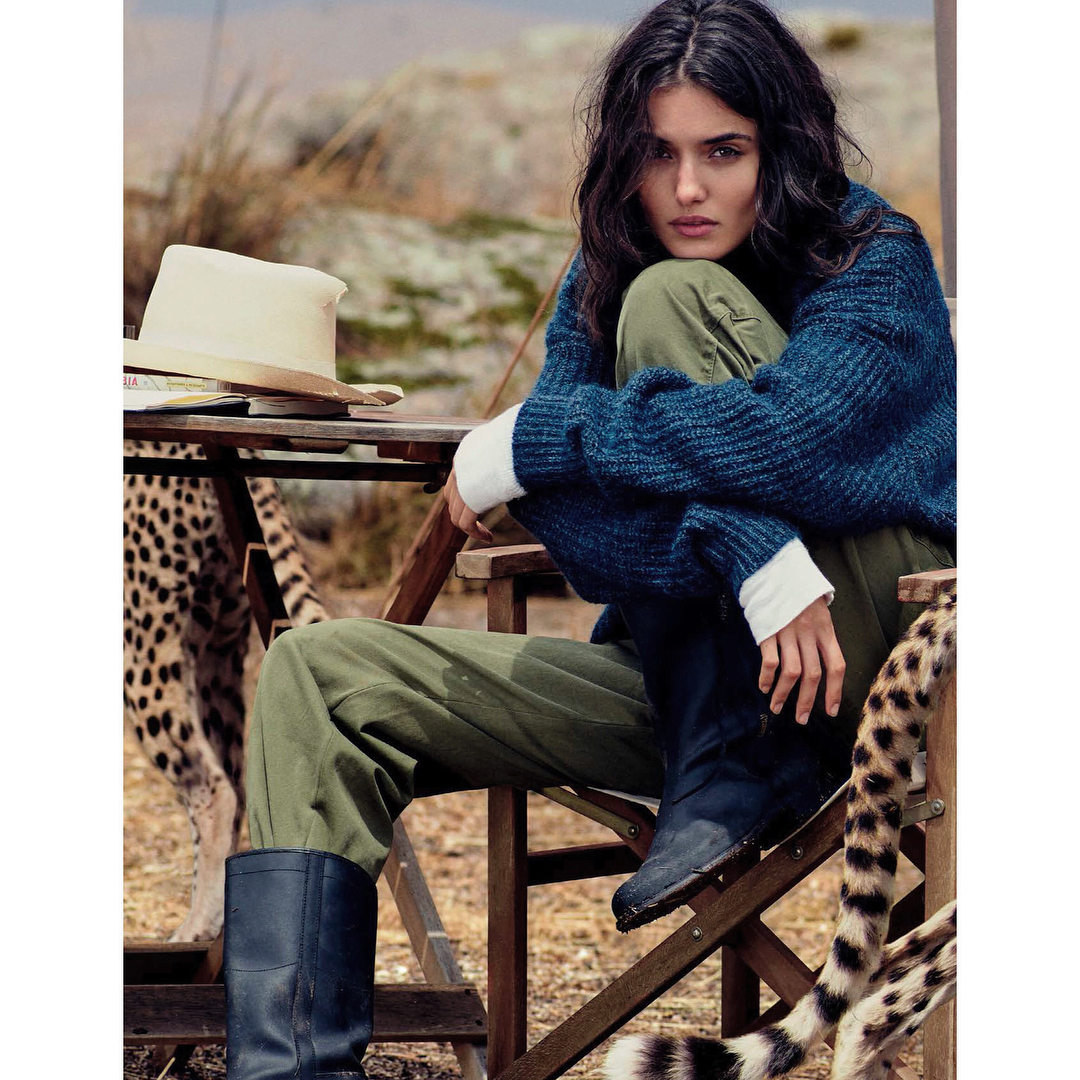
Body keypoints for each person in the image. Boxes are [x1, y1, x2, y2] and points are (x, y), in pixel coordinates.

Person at [222, 2, 956, 1077]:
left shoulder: (871, 259)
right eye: (658, 154)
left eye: (724, 151)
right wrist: (749, 551)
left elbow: (788, 441)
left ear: (783, 147)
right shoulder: (602, 265)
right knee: (315, 678)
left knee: (671, 301)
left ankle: (744, 751)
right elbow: (565, 520)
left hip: (873, 666)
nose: (688, 188)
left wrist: (538, 437)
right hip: (696, 702)